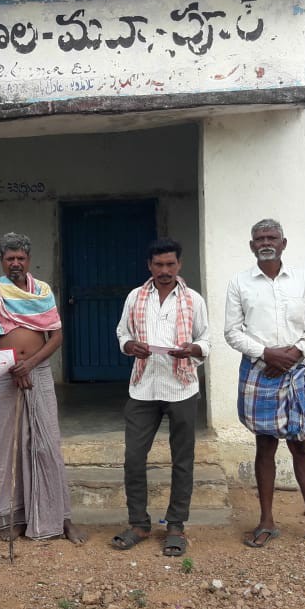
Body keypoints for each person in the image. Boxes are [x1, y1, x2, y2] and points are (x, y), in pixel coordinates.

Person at [224, 218, 305, 551]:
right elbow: (232, 332)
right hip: (260, 370)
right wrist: (267, 353)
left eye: (272, 237)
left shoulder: (303, 280)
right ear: (251, 246)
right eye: (260, 238)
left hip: (295, 371)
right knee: (265, 445)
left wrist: (294, 353)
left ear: (283, 243)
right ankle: (266, 521)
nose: (266, 242)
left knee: (302, 445)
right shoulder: (239, 283)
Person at [0, 232, 86, 544]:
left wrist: (30, 363)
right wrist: (13, 366)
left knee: (47, 443)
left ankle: (60, 518)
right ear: (1, 261)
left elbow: (56, 336)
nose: (15, 263)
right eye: (9, 258)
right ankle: (12, 518)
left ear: (28, 260)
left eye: (20, 258)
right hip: (5, 373)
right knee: (8, 446)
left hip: (39, 372)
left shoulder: (43, 291)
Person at [112, 238, 210, 557]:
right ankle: (139, 523)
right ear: (149, 266)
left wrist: (193, 349)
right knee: (133, 458)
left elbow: (206, 338)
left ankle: (176, 526)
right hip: (143, 387)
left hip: (181, 388)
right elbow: (123, 332)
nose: (165, 270)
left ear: (179, 264)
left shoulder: (193, 300)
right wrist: (129, 346)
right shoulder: (135, 297)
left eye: (170, 264)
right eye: (159, 264)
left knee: (182, 459)